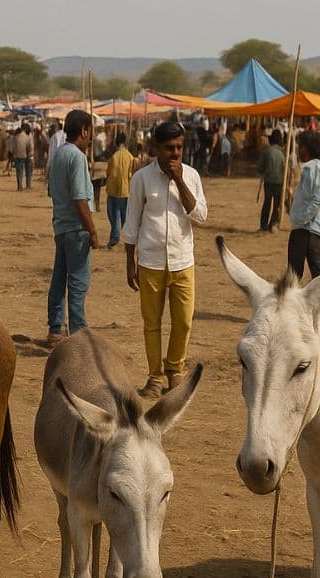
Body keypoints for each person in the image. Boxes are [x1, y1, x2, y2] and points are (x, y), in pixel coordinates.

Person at [123, 121, 208, 399]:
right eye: (169, 148)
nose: (175, 154)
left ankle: (175, 369)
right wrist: (129, 261)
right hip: (150, 261)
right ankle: (155, 377)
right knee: (152, 324)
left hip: (183, 260)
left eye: (179, 148)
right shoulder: (142, 178)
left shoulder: (192, 176)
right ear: (155, 148)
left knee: (183, 321)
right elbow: (132, 220)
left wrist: (179, 180)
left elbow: (200, 216)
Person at [44, 109, 101, 347]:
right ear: (84, 131)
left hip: (61, 226)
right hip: (77, 228)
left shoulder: (58, 154)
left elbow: (52, 190)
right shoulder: (76, 157)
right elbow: (80, 198)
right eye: (90, 132)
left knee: (59, 279)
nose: (90, 138)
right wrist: (93, 230)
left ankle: (55, 328)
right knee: (78, 283)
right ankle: (78, 334)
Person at [287, 130, 320, 280]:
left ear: (309, 148)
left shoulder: (312, 168)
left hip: (306, 228)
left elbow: (315, 200)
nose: (300, 150)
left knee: (296, 272)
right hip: (311, 226)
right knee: (316, 267)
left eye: (302, 147)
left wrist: (300, 219)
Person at [105, 132, 134, 248]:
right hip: (126, 190)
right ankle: (123, 237)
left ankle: (115, 238)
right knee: (123, 216)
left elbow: (108, 172)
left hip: (113, 190)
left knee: (115, 215)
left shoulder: (114, 156)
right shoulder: (130, 157)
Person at [257, 129, 286, 232]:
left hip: (268, 181)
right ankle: (273, 224)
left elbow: (259, 168)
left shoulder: (266, 152)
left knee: (267, 203)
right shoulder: (283, 153)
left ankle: (263, 225)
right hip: (280, 182)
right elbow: (287, 168)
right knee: (277, 204)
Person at [13, 123, 34, 190]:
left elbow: (13, 147)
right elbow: (31, 146)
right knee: (28, 171)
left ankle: (19, 186)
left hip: (17, 156)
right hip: (27, 155)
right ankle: (28, 186)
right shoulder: (29, 136)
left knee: (19, 172)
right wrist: (30, 155)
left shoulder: (16, 135)